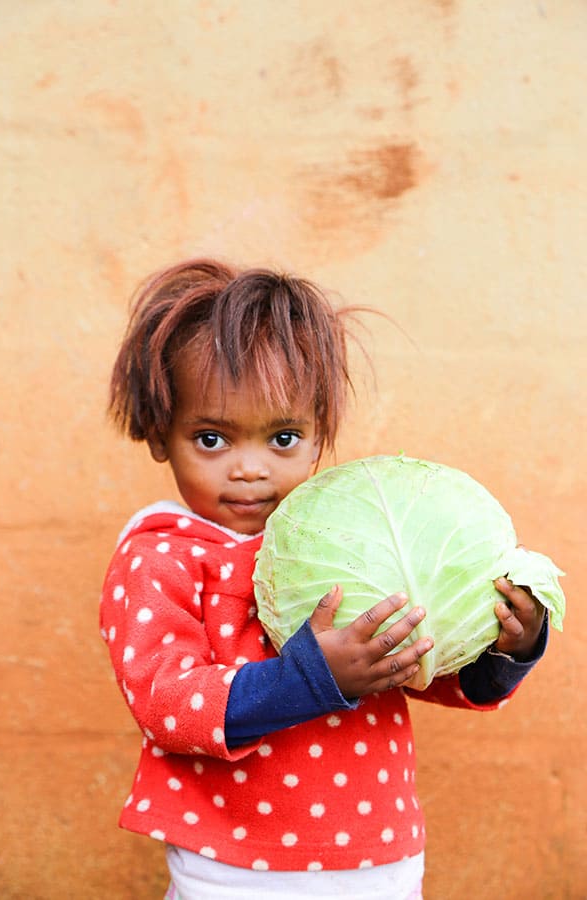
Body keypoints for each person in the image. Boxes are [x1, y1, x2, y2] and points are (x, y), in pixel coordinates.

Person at [100, 258, 548, 900]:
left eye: (282, 437)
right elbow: (167, 704)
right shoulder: (161, 557)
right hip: (231, 864)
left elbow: (425, 664)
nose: (249, 469)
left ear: (319, 437)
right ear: (157, 435)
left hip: (382, 857)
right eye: (210, 438)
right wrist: (309, 678)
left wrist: (509, 645)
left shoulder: (347, 548)